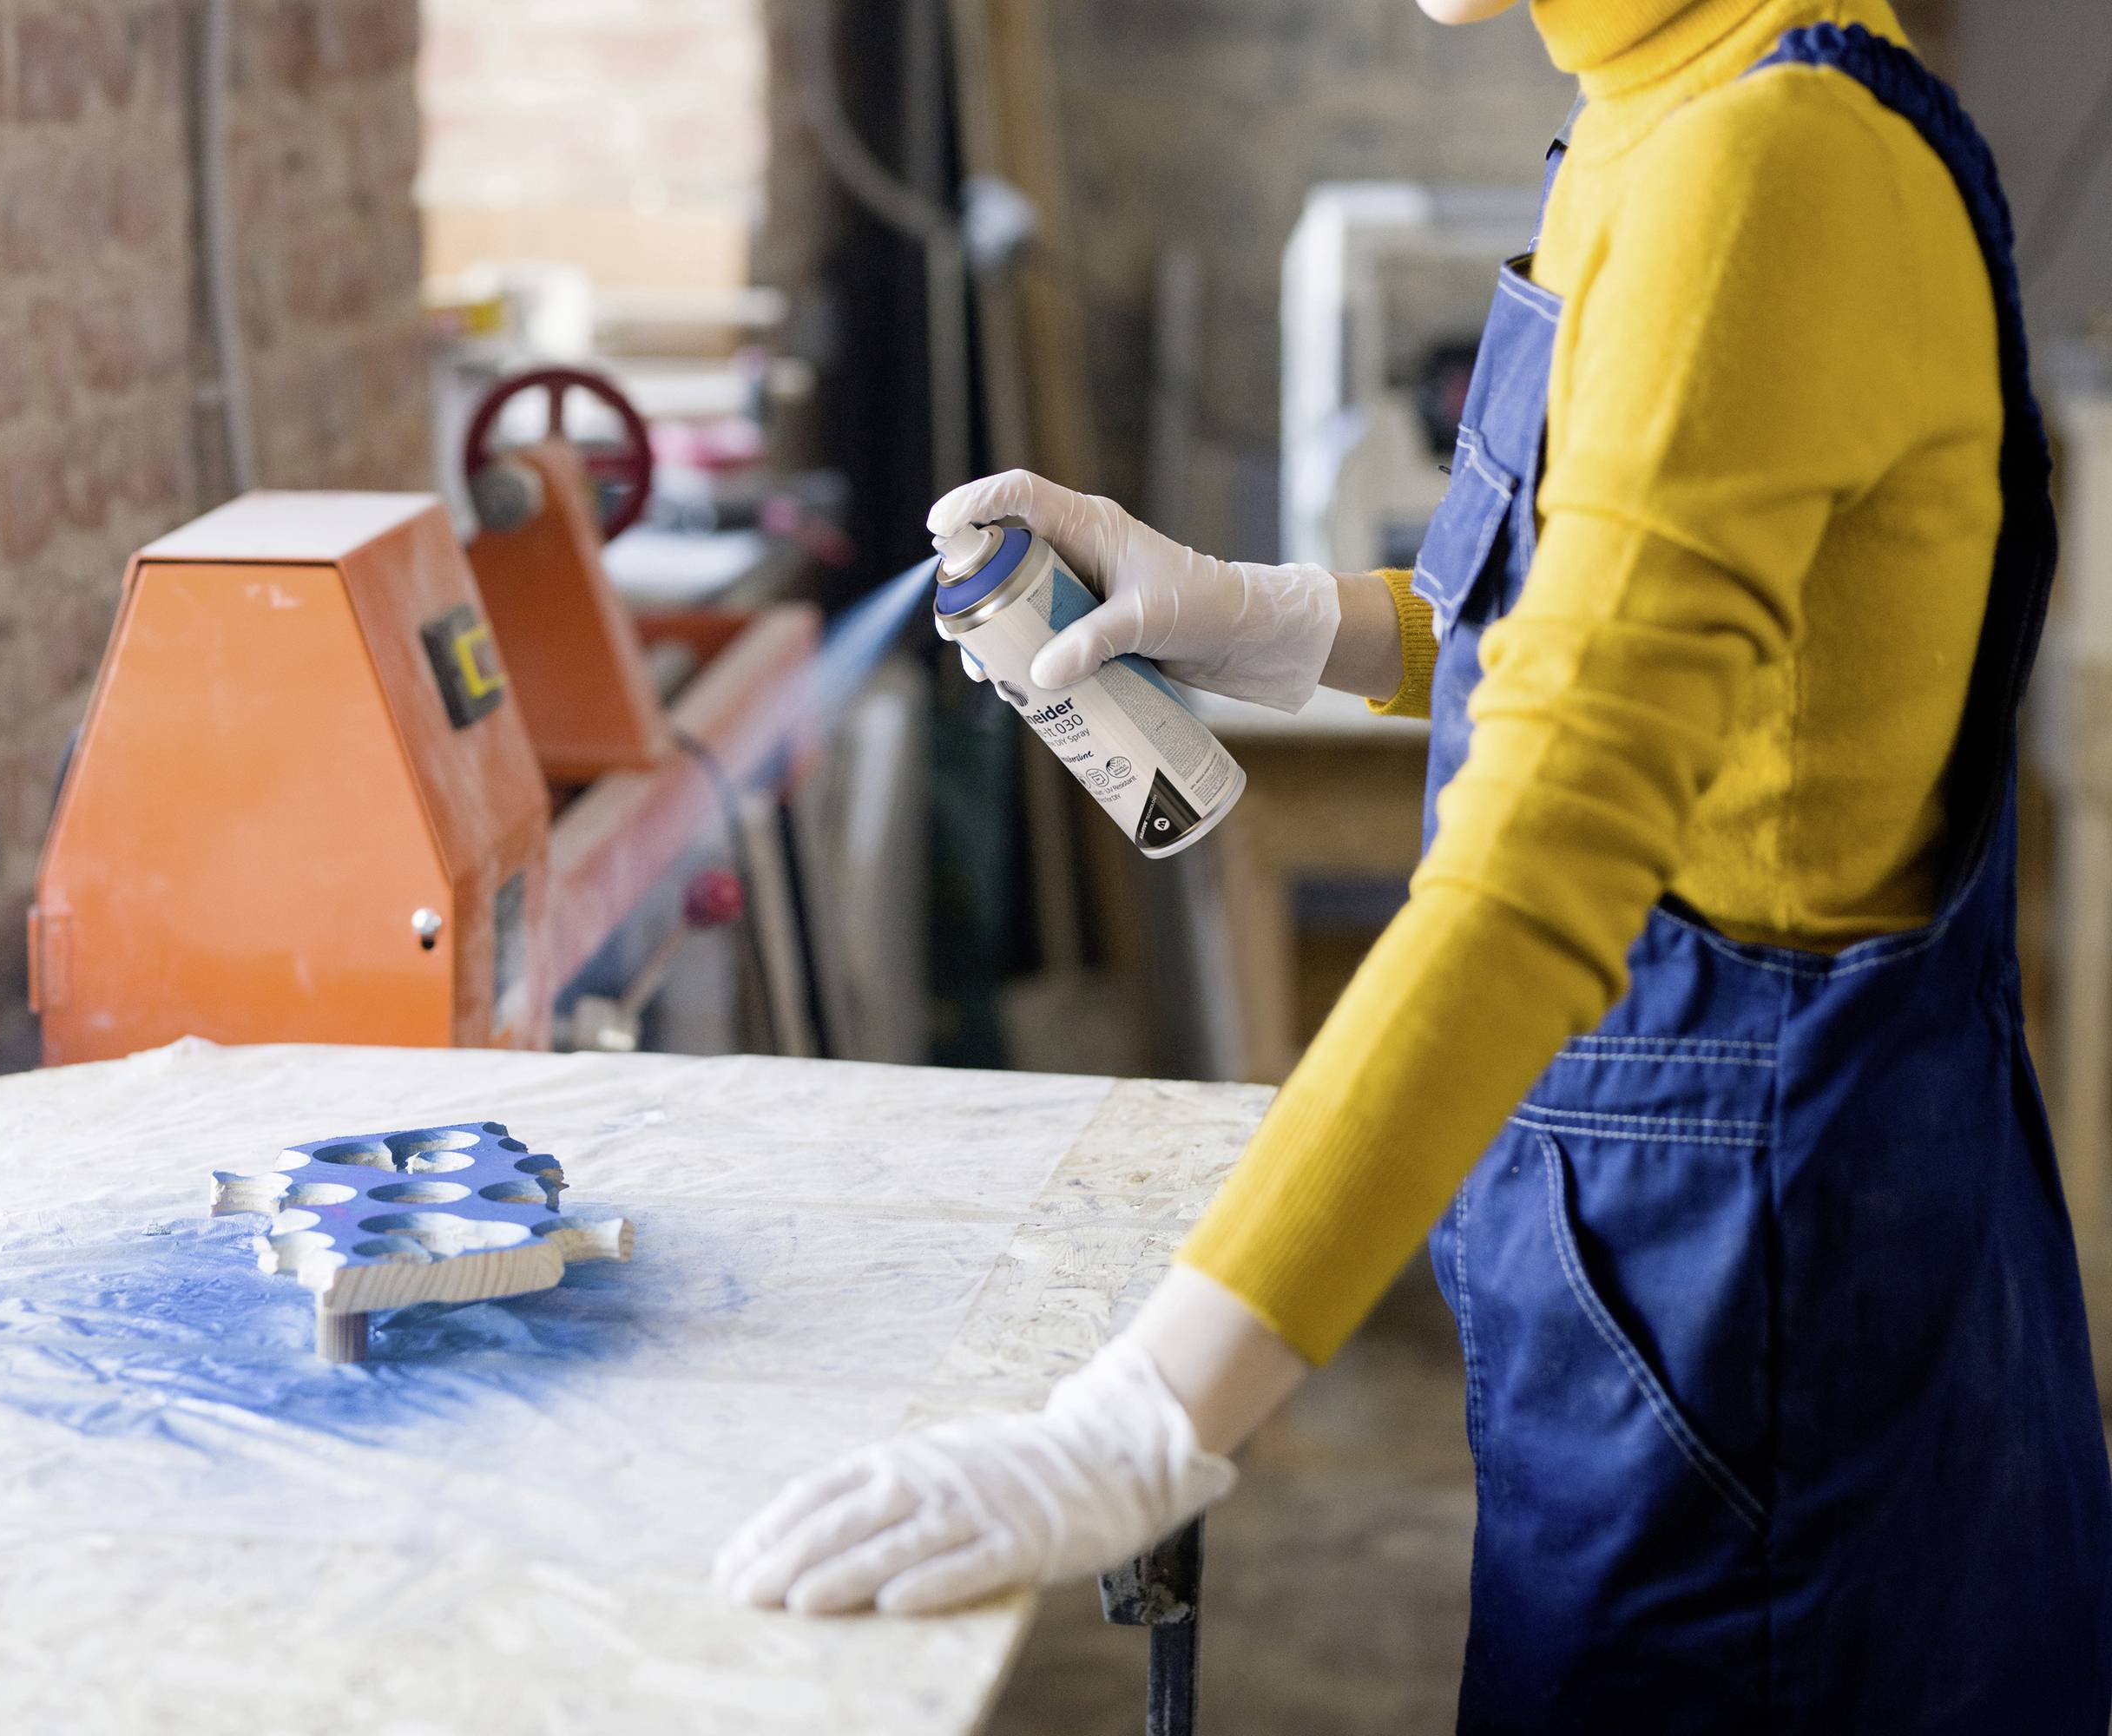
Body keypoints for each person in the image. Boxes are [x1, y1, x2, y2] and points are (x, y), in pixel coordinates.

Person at [715, 0, 2112, 1724]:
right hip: (1692, 1291)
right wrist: (1268, 618)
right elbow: (1645, 645)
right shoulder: (1660, 101)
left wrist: (1148, 1413)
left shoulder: (1769, 166)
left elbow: (1544, 867)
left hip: (1764, 1334)